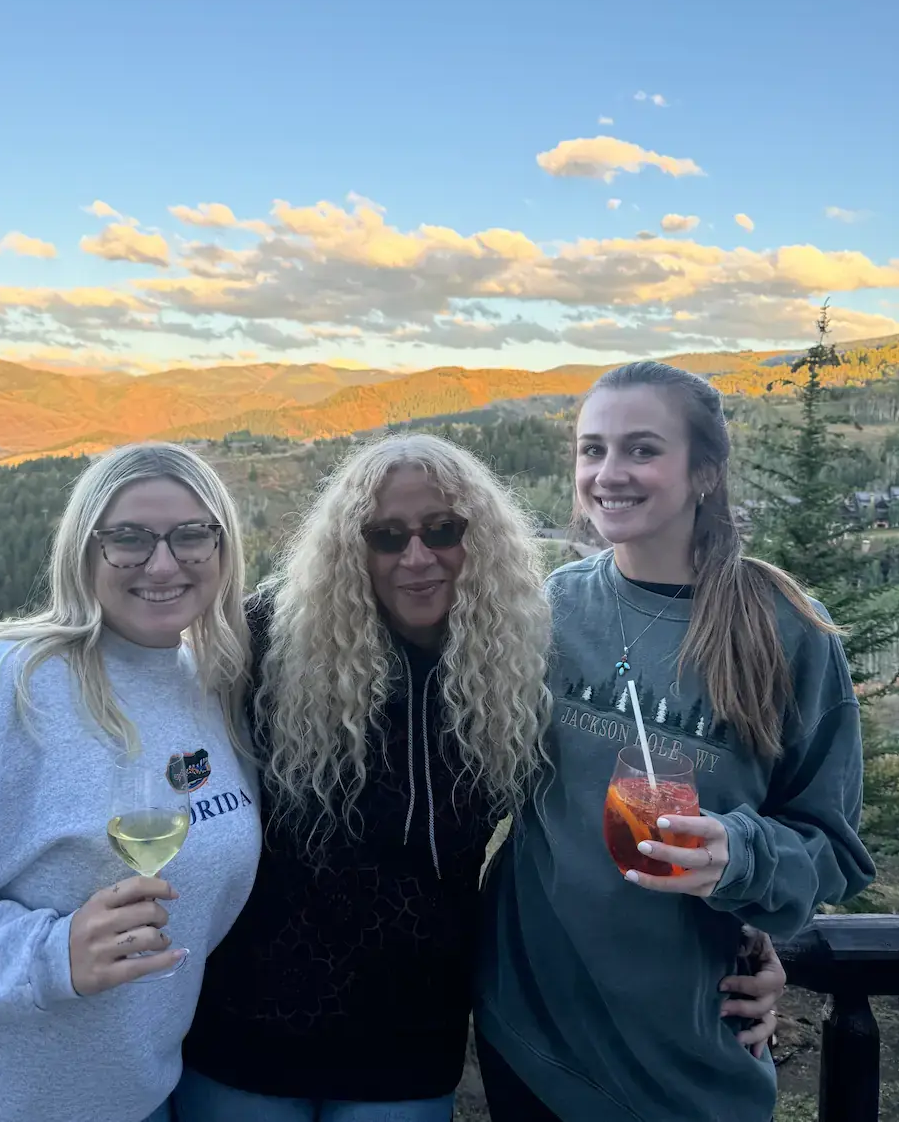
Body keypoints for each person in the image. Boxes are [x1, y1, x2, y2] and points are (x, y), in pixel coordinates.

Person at [178, 431, 785, 1122]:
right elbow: (157, 751)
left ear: (481, 536)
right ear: (352, 547)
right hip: (245, 1029)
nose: (417, 556)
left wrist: (743, 939)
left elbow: (581, 820)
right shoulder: (268, 640)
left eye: (443, 529)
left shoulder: (520, 658)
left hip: (410, 1045)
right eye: (386, 535)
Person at [475, 361, 876, 1122]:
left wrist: (739, 854)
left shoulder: (784, 627)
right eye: (592, 449)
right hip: (531, 1026)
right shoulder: (555, 607)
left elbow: (833, 847)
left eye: (641, 449)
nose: (609, 473)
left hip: (688, 1055)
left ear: (705, 472)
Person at [0, 442, 262, 1122]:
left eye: (191, 535)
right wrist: (49, 952)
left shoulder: (210, 685)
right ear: (83, 549)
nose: (163, 563)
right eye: (128, 538)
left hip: (139, 1100)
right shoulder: (2, 685)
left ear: (223, 548)